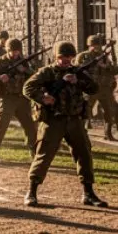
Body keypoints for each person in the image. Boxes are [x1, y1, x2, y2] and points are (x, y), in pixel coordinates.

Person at [23, 41, 107, 208]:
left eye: (70, 57)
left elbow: (94, 88)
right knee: (44, 155)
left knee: (84, 154)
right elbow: (28, 87)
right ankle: (31, 192)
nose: (67, 61)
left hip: (74, 120)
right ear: (56, 57)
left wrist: (78, 81)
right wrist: (43, 98)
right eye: (63, 57)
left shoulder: (77, 71)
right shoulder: (47, 72)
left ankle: (88, 193)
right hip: (54, 120)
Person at [0, 38, 38, 163]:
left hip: (22, 98)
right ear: (7, 50)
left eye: (17, 51)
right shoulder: (0, 62)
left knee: (30, 126)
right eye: (12, 51)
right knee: (0, 125)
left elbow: (35, 75)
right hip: (6, 98)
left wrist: (25, 71)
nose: (15, 54)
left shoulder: (24, 62)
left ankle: (34, 152)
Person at [78, 34, 116, 141]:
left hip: (105, 88)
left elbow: (112, 69)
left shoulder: (104, 56)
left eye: (99, 45)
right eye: (95, 45)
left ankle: (108, 134)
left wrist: (106, 66)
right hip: (91, 89)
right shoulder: (83, 56)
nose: (98, 47)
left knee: (109, 111)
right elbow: (79, 69)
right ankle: (81, 133)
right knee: (85, 111)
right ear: (90, 45)